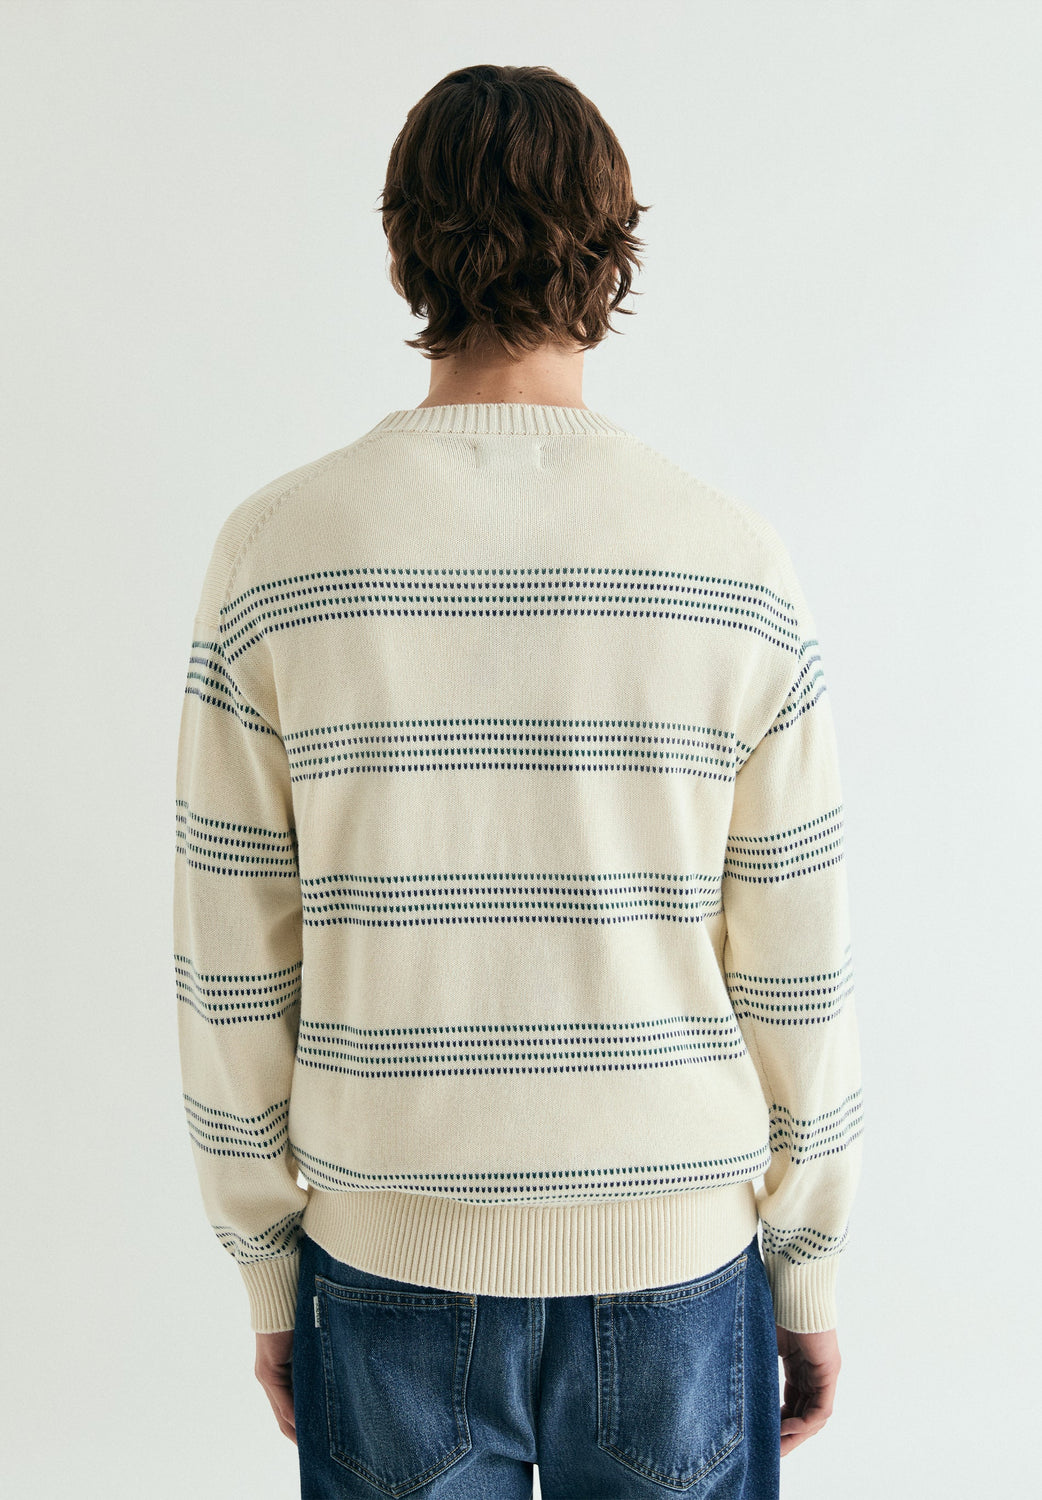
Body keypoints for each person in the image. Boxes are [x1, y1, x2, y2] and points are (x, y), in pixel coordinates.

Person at [173, 63, 864, 1497]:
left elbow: (231, 957)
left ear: (403, 246)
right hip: (677, 1263)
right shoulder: (731, 562)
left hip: (384, 1261)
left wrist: (265, 1262)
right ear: (611, 255)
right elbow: (797, 962)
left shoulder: (278, 551)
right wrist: (806, 1260)